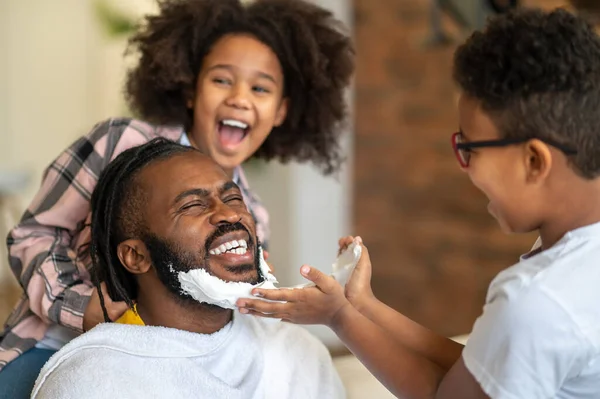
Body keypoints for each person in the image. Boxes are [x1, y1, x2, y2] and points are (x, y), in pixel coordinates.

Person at [238, 8, 600, 398]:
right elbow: (483, 368)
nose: (465, 167)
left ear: (534, 161)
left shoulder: (536, 300)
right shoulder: (576, 253)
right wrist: (365, 306)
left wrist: (339, 317)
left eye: (469, 148)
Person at [0, 0, 354, 396]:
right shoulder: (117, 142)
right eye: (222, 80)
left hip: (163, 362)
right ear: (190, 90)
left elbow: (230, 308)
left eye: (260, 88)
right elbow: (34, 234)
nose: (240, 97)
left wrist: (289, 298)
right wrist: (82, 306)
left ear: (281, 111)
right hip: (51, 341)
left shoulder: (252, 215)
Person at [30, 138, 344, 398]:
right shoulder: (91, 383)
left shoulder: (299, 353)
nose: (230, 215)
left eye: (233, 197)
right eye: (193, 205)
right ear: (136, 256)